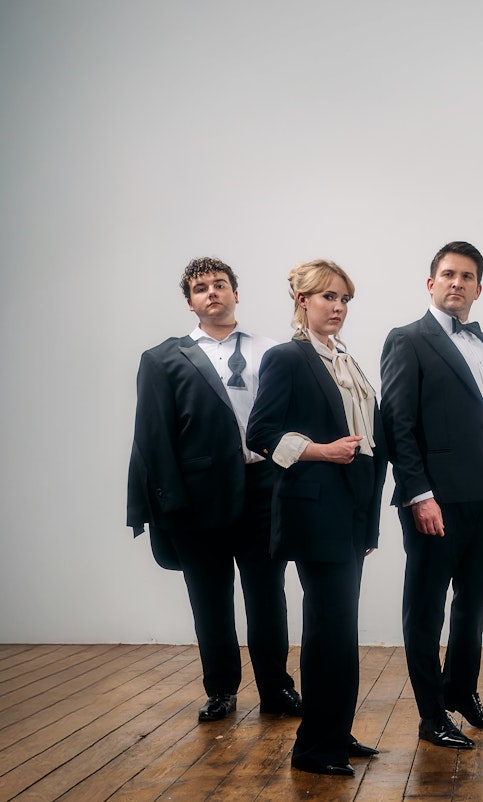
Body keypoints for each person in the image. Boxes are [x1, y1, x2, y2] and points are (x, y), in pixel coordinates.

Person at [127, 257, 300, 724]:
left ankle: (277, 689)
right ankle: (221, 690)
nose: (212, 293)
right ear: (190, 302)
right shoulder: (164, 358)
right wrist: (166, 504)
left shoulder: (274, 351)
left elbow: (290, 420)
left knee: (267, 596)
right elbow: (154, 438)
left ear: (235, 293)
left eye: (220, 284)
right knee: (209, 600)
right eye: (201, 288)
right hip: (197, 499)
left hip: (264, 488)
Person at [246, 259, 387, 777]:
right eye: (329, 297)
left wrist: (368, 520)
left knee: (341, 630)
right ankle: (312, 751)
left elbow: (370, 441)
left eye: (345, 299)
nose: (338, 307)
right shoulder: (288, 357)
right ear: (302, 301)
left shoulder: (347, 360)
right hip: (313, 513)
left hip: (349, 513)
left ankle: (335, 732)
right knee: (328, 630)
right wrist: (321, 452)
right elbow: (259, 434)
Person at [380, 241, 483, 750]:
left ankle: (460, 691)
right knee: (426, 608)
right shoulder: (407, 340)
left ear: (479, 288)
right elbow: (397, 424)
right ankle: (431, 714)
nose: (456, 283)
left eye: (466, 276)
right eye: (447, 274)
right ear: (430, 283)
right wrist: (418, 494)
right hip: (435, 498)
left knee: (475, 602)